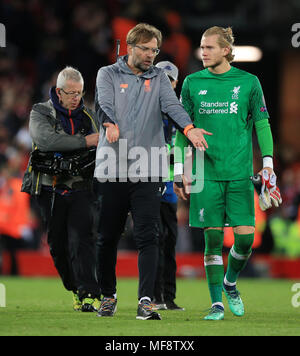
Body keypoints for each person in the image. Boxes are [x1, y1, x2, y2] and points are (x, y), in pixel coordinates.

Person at [94, 23, 212, 320]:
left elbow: (172, 105)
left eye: (154, 49)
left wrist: (189, 127)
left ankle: (146, 301)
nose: (150, 55)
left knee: (150, 236)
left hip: (149, 168)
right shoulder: (107, 74)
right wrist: (109, 123)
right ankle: (108, 296)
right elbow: (103, 104)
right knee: (107, 237)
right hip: (113, 167)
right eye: (145, 48)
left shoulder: (159, 77)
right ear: (131, 46)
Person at [173, 26, 281, 320]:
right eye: (201, 47)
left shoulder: (249, 82)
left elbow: (262, 124)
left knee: (245, 239)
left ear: (225, 50)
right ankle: (216, 304)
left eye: (209, 47)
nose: (203, 52)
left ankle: (230, 283)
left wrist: (268, 165)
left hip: (239, 173)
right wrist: (180, 168)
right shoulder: (192, 83)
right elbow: (183, 129)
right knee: (213, 240)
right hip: (206, 173)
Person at [21, 66, 101, 312]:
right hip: (49, 188)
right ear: (59, 92)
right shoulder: (40, 112)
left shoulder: (88, 116)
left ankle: (88, 293)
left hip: (79, 187)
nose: (77, 98)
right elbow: (46, 141)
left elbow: (102, 147)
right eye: (72, 93)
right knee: (57, 245)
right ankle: (74, 287)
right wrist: (84, 142)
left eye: (80, 93)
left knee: (82, 239)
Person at [152, 61, 184, 311]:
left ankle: (168, 297)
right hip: (150, 184)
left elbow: (182, 150)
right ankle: (153, 296)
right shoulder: (146, 108)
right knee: (153, 240)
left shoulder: (178, 111)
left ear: (174, 83)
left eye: (168, 79)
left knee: (169, 241)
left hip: (169, 189)